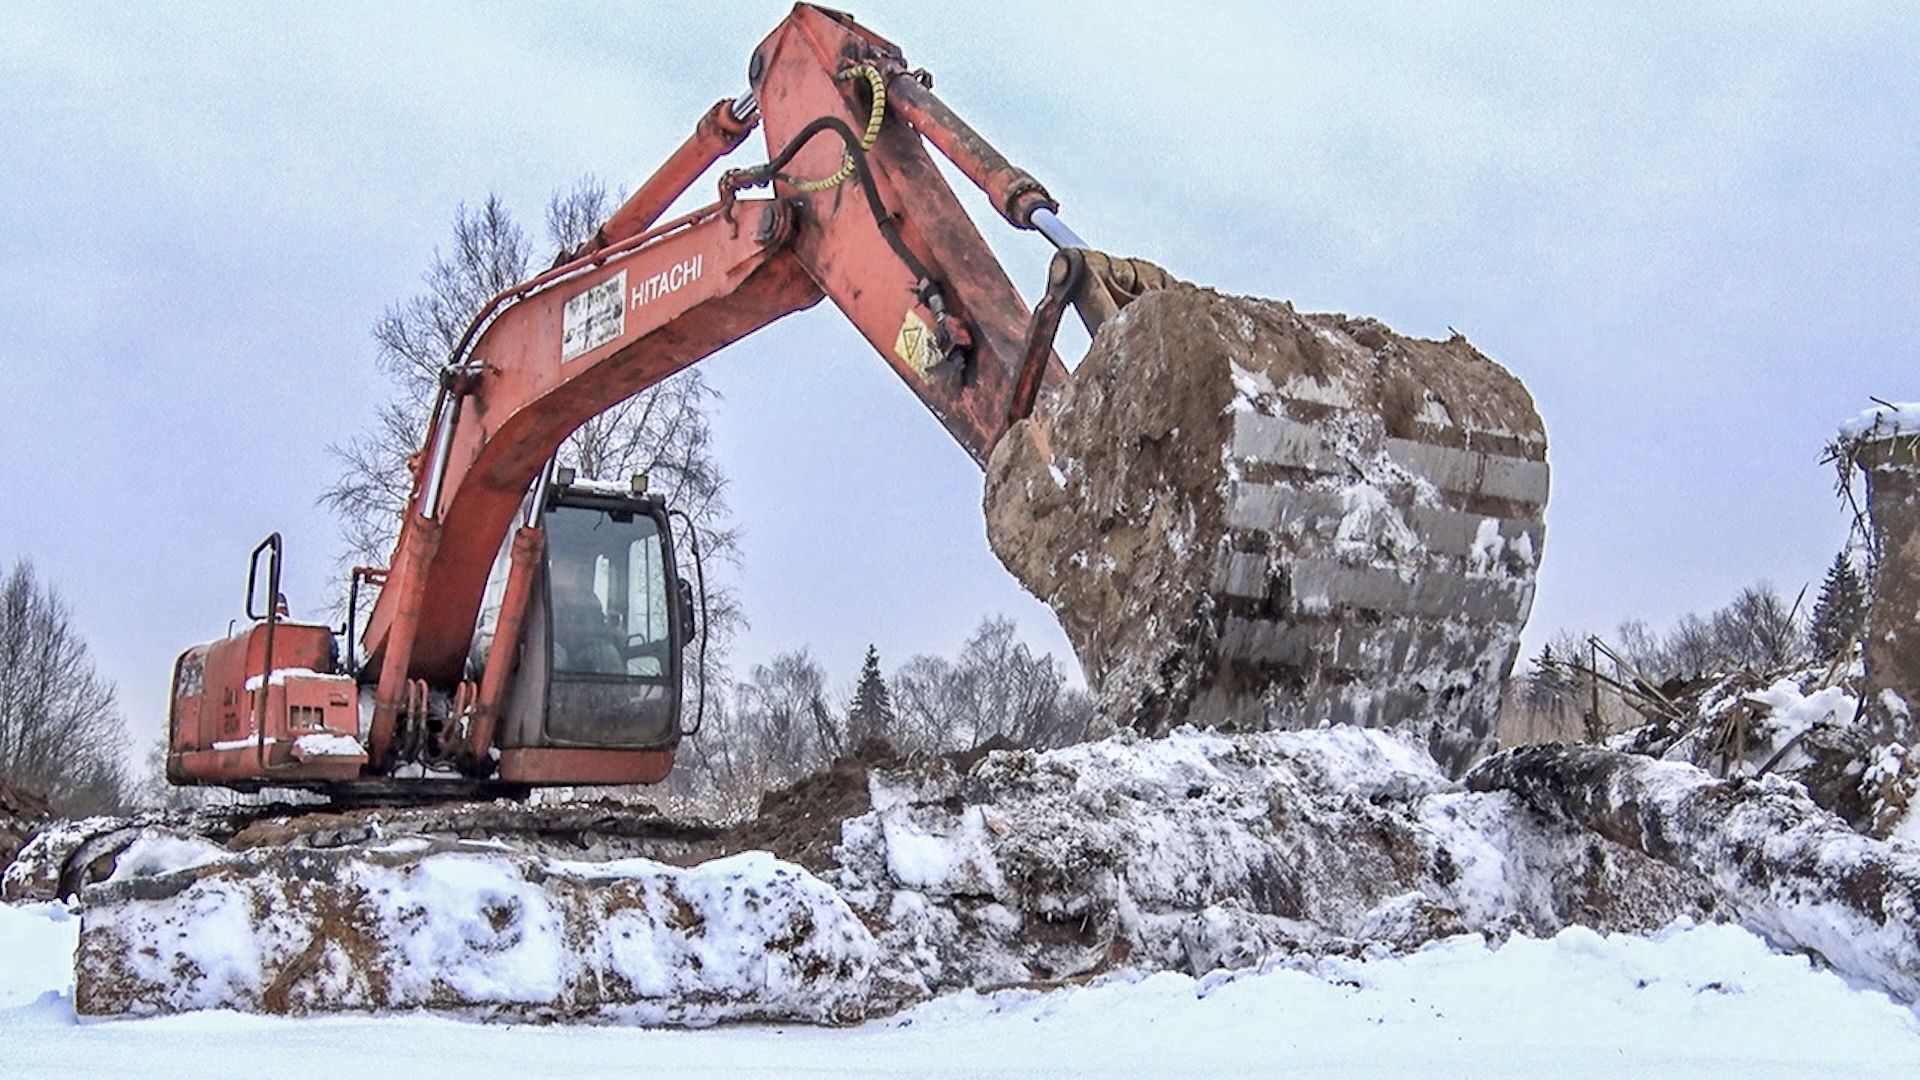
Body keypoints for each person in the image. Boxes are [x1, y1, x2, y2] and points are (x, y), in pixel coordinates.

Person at [549, 555, 625, 675]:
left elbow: (599, 628)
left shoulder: (591, 599)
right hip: (557, 652)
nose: (581, 574)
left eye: (582, 569)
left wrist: (613, 635)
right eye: (569, 567)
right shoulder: (547, 600)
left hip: (586, 654)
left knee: (606, 653)